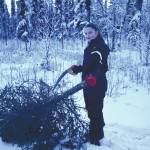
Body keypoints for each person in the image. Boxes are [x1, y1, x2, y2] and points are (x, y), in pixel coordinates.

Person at [68, 23, 110, 146]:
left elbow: (102, 67)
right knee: (92, 110)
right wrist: (78, 69)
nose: (87, 35)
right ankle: (98, 132)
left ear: (96, 32)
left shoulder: (101, 47)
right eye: (85, 33)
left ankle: (95, 138)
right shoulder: (90, 47)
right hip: (88, 84)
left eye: (90, 32)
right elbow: (89, 66)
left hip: (97, 84)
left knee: (94, 110)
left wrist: (93, 76)